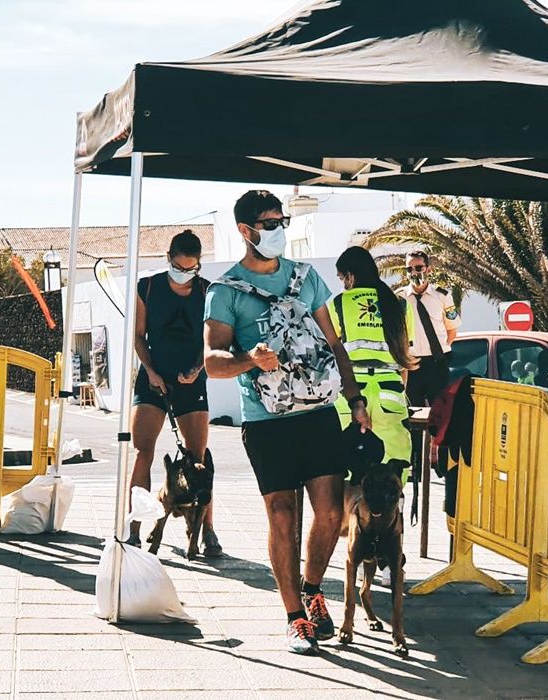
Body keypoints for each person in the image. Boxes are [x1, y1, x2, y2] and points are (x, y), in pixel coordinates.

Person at [204, 190, 370, 655]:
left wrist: (355, 400)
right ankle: (295, 615)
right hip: (266, 420)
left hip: (317, 411)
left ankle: (313, 587)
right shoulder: (226, 292)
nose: (278, 229)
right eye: (269, 222)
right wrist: (249, 359)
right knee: (282, 515)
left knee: (332, 513)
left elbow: (335, 345)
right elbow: (212, 362)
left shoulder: (306, 278)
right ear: (245, 230)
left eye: (282, 220)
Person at [128, 229, 221, 556]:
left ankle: (206, 529)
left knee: (199, 460)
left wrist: (197, 368)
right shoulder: (148, 287)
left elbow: (211, 342)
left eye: (192, 268)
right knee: (143, 452)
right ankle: (134, 527)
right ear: (169, 260)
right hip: (153, 377)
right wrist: (151, 371)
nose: (186, 274)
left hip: (191, 380)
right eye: (180, 267)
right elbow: (139, 336)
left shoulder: (207, 291)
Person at [328, 246, 415, 473]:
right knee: (396, 465)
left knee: (347, 467)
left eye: (341, 278)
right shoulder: (400, 305)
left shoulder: (338, 304)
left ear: (350, 275)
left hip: (351, 393)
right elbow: (406, 358)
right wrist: (399, 390)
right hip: (391, 392)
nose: (343, 284)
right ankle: (394, 506)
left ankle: (354, 508)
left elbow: (330, 352)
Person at [397, 250, 461, 470]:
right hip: (413, 364)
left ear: (428, 269)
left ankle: (443, 464)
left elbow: (451, 329)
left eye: (418, 268)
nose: (414, 273)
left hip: (436, 364)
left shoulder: (442, 296)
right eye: (409, 269)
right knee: (412, 415)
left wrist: (440, 352)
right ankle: (415, 466)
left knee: (441, 415)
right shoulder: (400, 298)